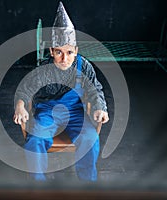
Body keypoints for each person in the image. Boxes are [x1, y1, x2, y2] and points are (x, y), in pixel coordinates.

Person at [13, 2, 109, 181]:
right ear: (51, 51)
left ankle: (88, 182)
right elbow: (25, 91)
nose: (65, 59)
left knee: (90, 138)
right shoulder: (44, 69)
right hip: (47, 111)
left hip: (74, 112)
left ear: (76, 51)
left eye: (70, 52)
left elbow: (94, 89)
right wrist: (20, 106)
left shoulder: (83, 65)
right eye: (59, 52)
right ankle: (37, 184)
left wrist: (99, 107)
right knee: (35, 140)